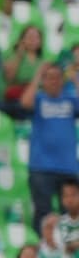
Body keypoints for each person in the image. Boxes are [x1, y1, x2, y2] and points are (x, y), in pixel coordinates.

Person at [22, 63, 79, 233]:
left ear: (62, 80)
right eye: (49, 78)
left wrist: (75, 79)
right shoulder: (39, 99)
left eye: (57, 77)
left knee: (71, 214)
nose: (53, 81)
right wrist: (38, 74)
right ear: (44, 81)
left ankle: (69, 251)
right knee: (42, 212)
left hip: (68, 167)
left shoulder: (70, 100)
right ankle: (42, 249)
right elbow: (25, 102)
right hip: (41, 167)